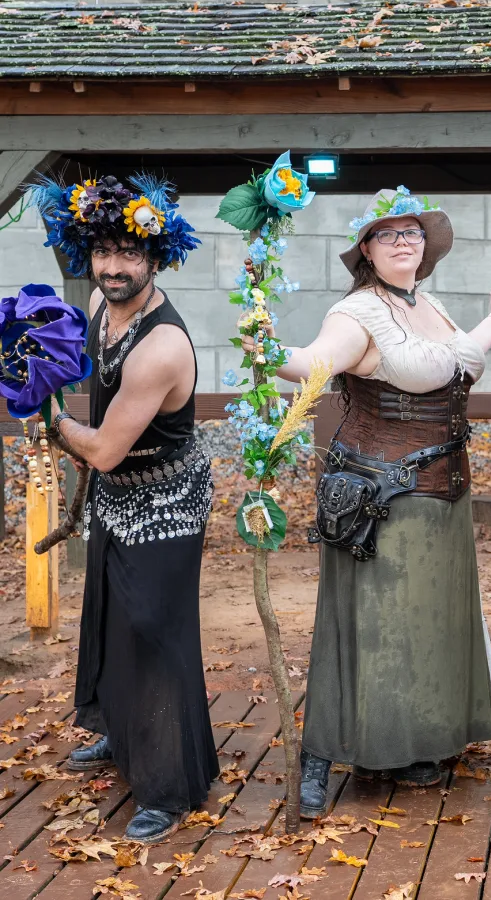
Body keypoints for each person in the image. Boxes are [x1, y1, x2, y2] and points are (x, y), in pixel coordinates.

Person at [245, 187, 491, 819]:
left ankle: (416, 741)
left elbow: (461, 359)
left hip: (444, 490)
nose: (404, 241)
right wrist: (268, 349)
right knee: (367, 627)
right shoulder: (359, 313)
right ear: (366, 251)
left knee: (428, 626)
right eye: (389, 234)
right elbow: (314, 363)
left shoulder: (428, 304)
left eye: (413, 233)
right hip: (381, 495)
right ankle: (324, 752)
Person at [27, 173, 215, 843]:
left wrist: (44, 411)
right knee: (110, 614)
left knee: (156, 632)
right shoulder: (106, 311)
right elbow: (74, 361)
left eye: (128, 254)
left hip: (166, 498)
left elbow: (103, 450)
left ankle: (167, 787)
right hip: (117, 496)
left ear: (155, 258)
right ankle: (118, 732)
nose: (112, 266)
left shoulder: (161, 345)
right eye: (102, 252)